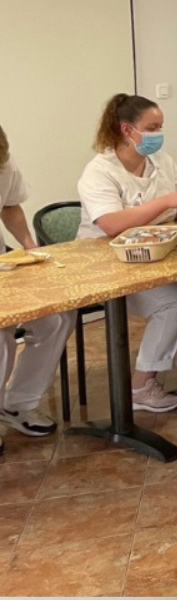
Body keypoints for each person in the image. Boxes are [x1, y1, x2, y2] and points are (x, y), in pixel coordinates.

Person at [77, 93, 177, 413]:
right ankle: (141, 386)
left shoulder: (162, 161)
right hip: (111, 266)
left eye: (161, 126)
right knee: (171, 306)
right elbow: (111, 225)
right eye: (152, 128)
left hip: (159, 256)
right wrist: (165, 202)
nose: (159, 134)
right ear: (127, 130)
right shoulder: (99, 170)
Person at [0, 125, 72, 453]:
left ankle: (19, 403)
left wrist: (29, 246)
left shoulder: (4, 161)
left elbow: (10, 204)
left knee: (55, 319)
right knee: (1, 336)